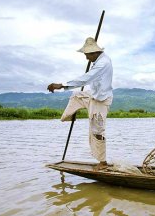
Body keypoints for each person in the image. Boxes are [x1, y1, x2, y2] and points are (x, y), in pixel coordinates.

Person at [47, 37, 113, 170]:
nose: (86, 58)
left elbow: (85, 79)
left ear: (94, 53)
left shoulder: (103, 63)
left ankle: (103, 162)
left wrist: (62, 85)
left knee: (97, 130)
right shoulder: (99, 60)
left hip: (101, 100)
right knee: (76, 96)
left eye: (87, 55)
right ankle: (71, 115)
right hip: (93, 95)